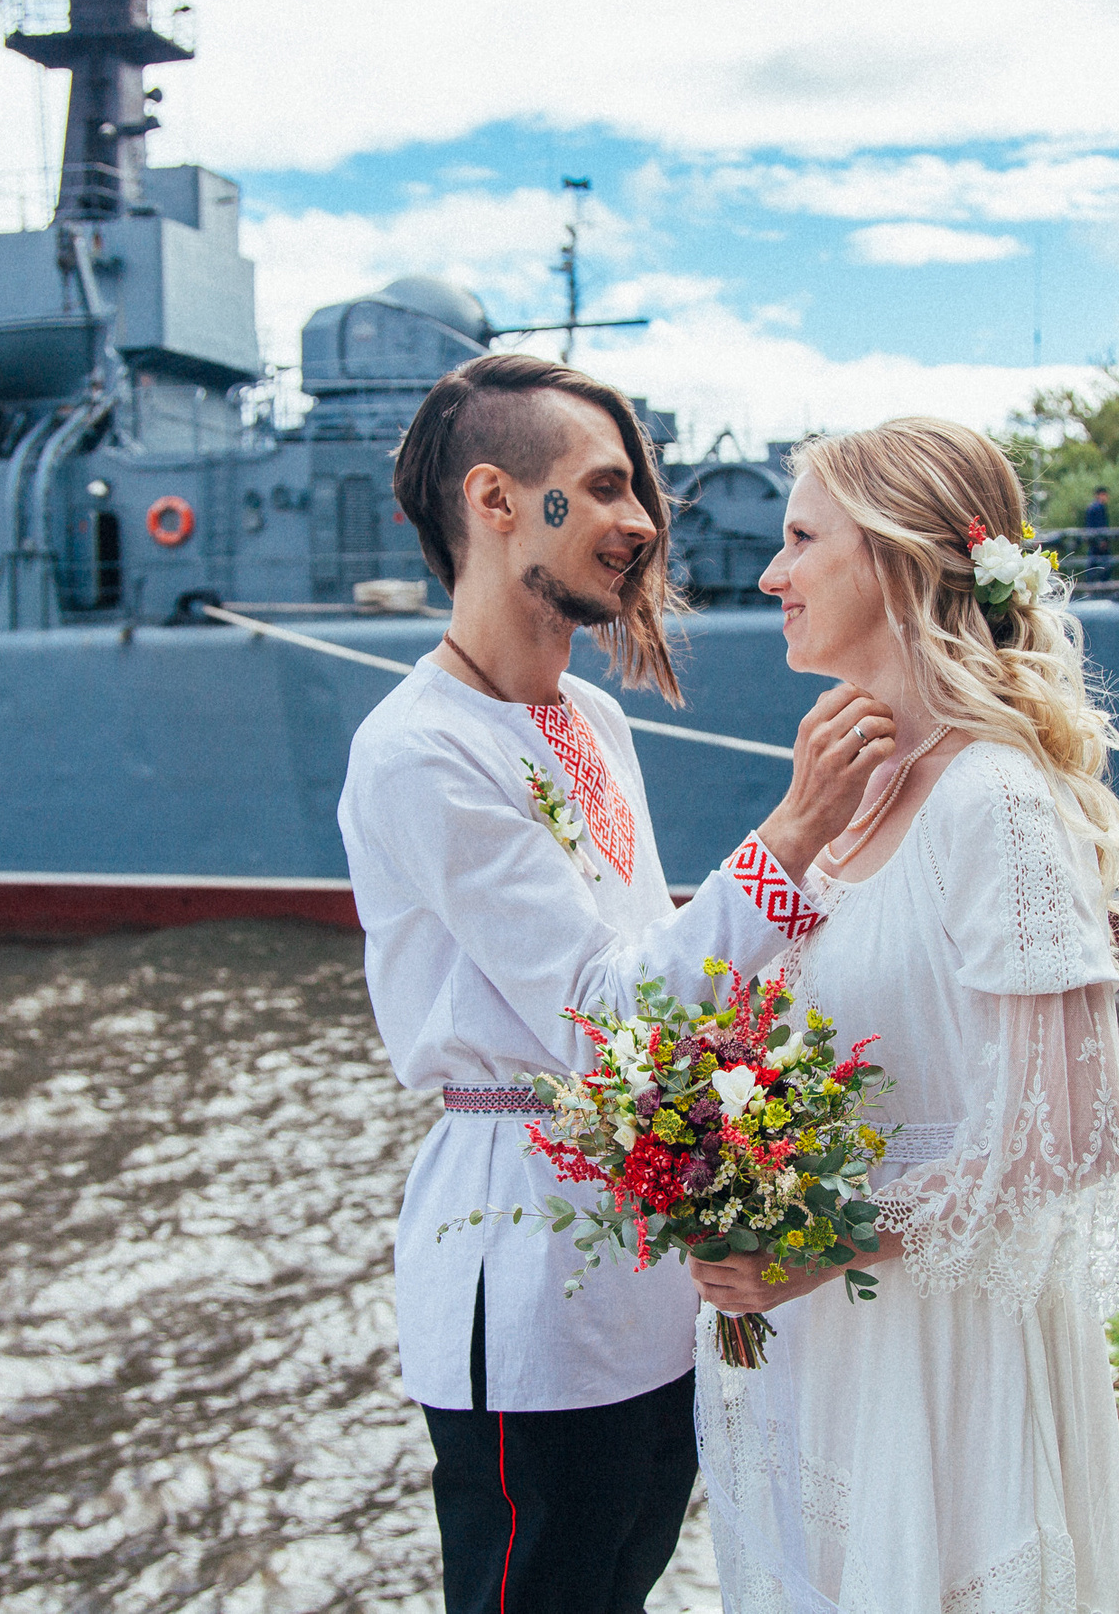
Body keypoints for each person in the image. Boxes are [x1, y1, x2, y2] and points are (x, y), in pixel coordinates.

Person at [338, 352, 896, 1614]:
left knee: (625, 1582)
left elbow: (655, 969)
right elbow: (608, 1014)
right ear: (494, 501)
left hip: (652, 1257)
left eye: (635, 489)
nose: (641, 521)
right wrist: (792, 837)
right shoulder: (416, 751)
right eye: (601, 490)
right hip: (525, 1278)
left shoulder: (594, 721)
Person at [691, 417, 1119, 1612]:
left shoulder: (991, 800)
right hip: (832, 1347)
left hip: (941, 1359)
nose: (770, 573)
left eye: (799, 539)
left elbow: (1071, 1136)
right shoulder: (861, 788)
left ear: (893, 561)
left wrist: (824, 1240)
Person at [1081, 485, 1112, 582]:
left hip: (1094, 540)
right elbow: (1098, 525)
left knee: (1093, 564)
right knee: (1104, 563)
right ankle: (1100, 583)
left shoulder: (1093, 507)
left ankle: (1091, 583)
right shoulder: (1098, 508)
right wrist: (1101, 540)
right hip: (1098, 541)